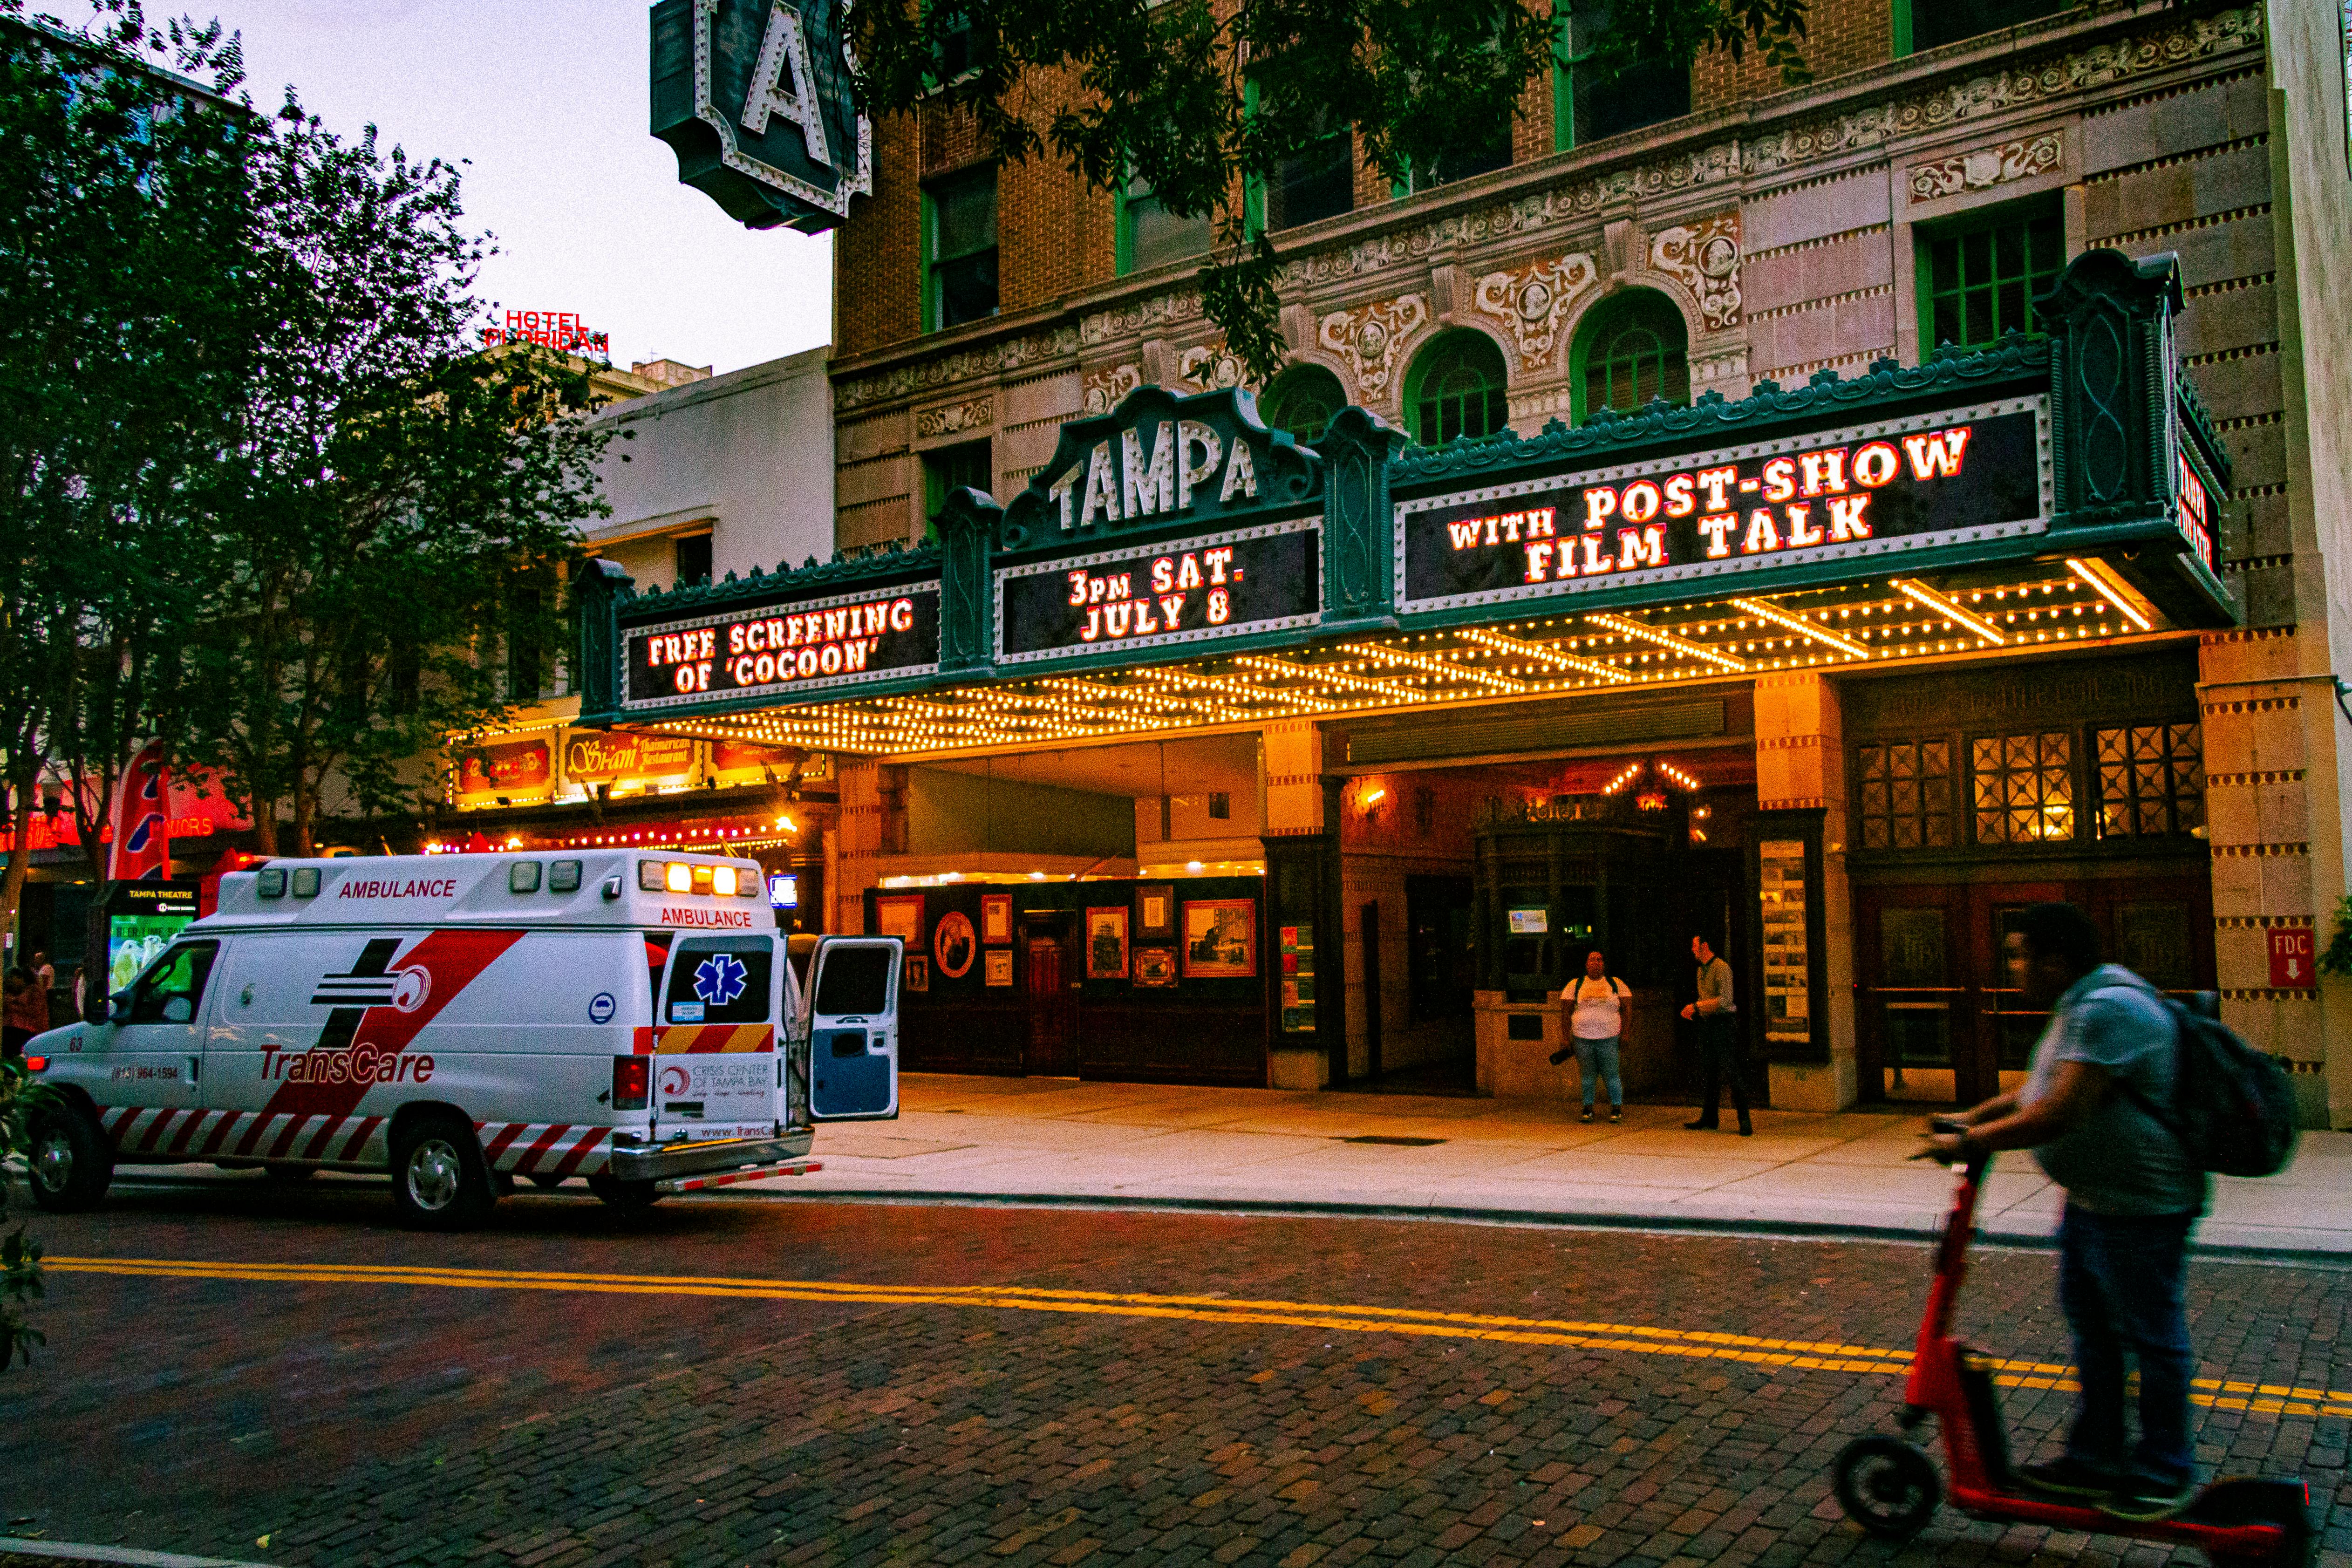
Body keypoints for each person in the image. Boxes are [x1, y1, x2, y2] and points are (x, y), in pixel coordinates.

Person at [1921, 902, 2205, 1522]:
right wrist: (1970, 1117)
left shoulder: (2108, 1010)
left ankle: (2166, 1469)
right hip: (2095, 1204)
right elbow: (2032, 1093)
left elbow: (2059, 1113)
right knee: (2096, 1334)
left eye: (2020, 954)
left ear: (2056, 959)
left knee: (2151, 1338)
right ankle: (2095, 1457)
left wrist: (1970, 1143)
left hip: (2141, 1207)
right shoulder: (2081, 1005)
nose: (2013, 966)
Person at [1680, 934, 1749, 1135]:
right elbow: (1706, 998)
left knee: (1731, 1069)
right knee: (1709, 1071)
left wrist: (1696, 1006)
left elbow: (1725, 1000)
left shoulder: (1722, 968)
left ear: (1705, 946)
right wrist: (1698, 1010)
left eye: (1694, 946)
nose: (1692, 950)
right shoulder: (1701, 969)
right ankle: (1710, 1117)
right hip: (1708, 1023)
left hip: (1723, 1023)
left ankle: (1744, 1119)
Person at [1551, 949, 1630, 1124]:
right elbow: (1565, 1012)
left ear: (1604, 964)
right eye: (1592, 960)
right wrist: (1565, 1037)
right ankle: (1588, 1108)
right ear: (1586, 965)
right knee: (1588, 1075)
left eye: (1599, 960)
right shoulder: (1575, 985)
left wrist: (1626, 1033)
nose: (1596, 963)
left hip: (1609, 1038)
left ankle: (1616, 1108)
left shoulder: (1616, 984)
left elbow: (1627, 1009)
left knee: (1612, 1074)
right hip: (1583, 1039)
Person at [1, 968, 44, 1059]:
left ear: (21, 978)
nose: (12, 985)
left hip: (24, 1030)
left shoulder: (33, 991)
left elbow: (34, 1011)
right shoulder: (9, 992)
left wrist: (14, 1005)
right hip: (10, 1028)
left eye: (13, 982)